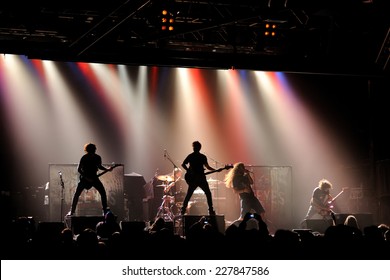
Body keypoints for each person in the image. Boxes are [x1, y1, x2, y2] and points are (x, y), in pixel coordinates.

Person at [67, 143, 113, 216]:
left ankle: (105, 211)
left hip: (94, 178)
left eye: (94, 149)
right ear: (89, 149)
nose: (95, 150)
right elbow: (79, 169)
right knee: (76, 194)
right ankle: (72, 211)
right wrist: (86, 178)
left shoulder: (97, 157)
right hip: (84, 179)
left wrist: (107, 169)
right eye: (93, 149)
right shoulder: (84, 158)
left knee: (103, 193)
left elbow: (99, 166)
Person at [180, 141, 216, 216]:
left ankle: (183, 209)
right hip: (200, 179)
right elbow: (208, 167)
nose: (194, 148)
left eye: (195, 147)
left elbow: (183, 164)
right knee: (208, 193)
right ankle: (211, 210)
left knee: (189, 194)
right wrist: (189, 171)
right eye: (194, 147)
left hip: (196, 179)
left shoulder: (191, 156)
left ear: (197, 148)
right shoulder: (202, 157)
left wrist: (188, 170)